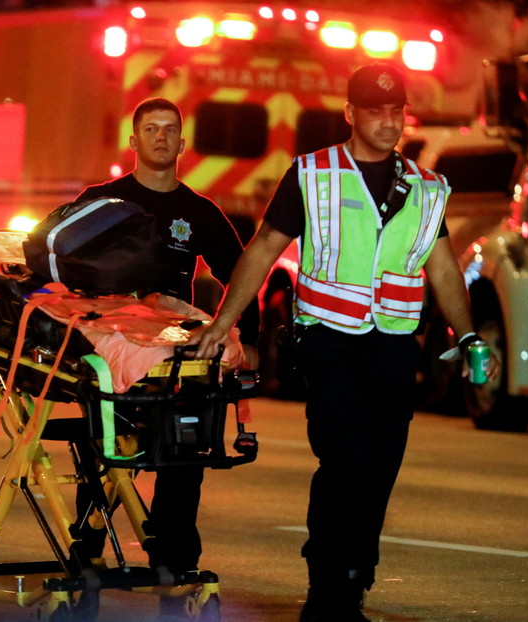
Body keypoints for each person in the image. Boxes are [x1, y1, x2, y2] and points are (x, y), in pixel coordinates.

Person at [191, 63, 501, 621]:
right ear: (351, 114)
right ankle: (328, 582)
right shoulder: (314, 175)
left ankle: (355, 579)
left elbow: (444, 269)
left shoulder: (425, 188)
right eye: (376, 112)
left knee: (381, 465)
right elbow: (263, 248)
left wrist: (470, 333)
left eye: (396, 112)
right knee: (344, 460)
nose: (388, 123)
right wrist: (225, 321)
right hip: (330, 342)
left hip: (393, 346)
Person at [72, 96, 261, 619]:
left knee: (182, 456)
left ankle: (175, 562)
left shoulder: (200, 214)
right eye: (150, 129)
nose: (160, 137)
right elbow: (55, 256)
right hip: (112, 349)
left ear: (182, 143)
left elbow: (242, 276)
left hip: (176, 356)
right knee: (105, 459)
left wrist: (247, 334)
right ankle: (85, 553)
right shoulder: (102, 202)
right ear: (133, 142)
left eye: (170, 129)